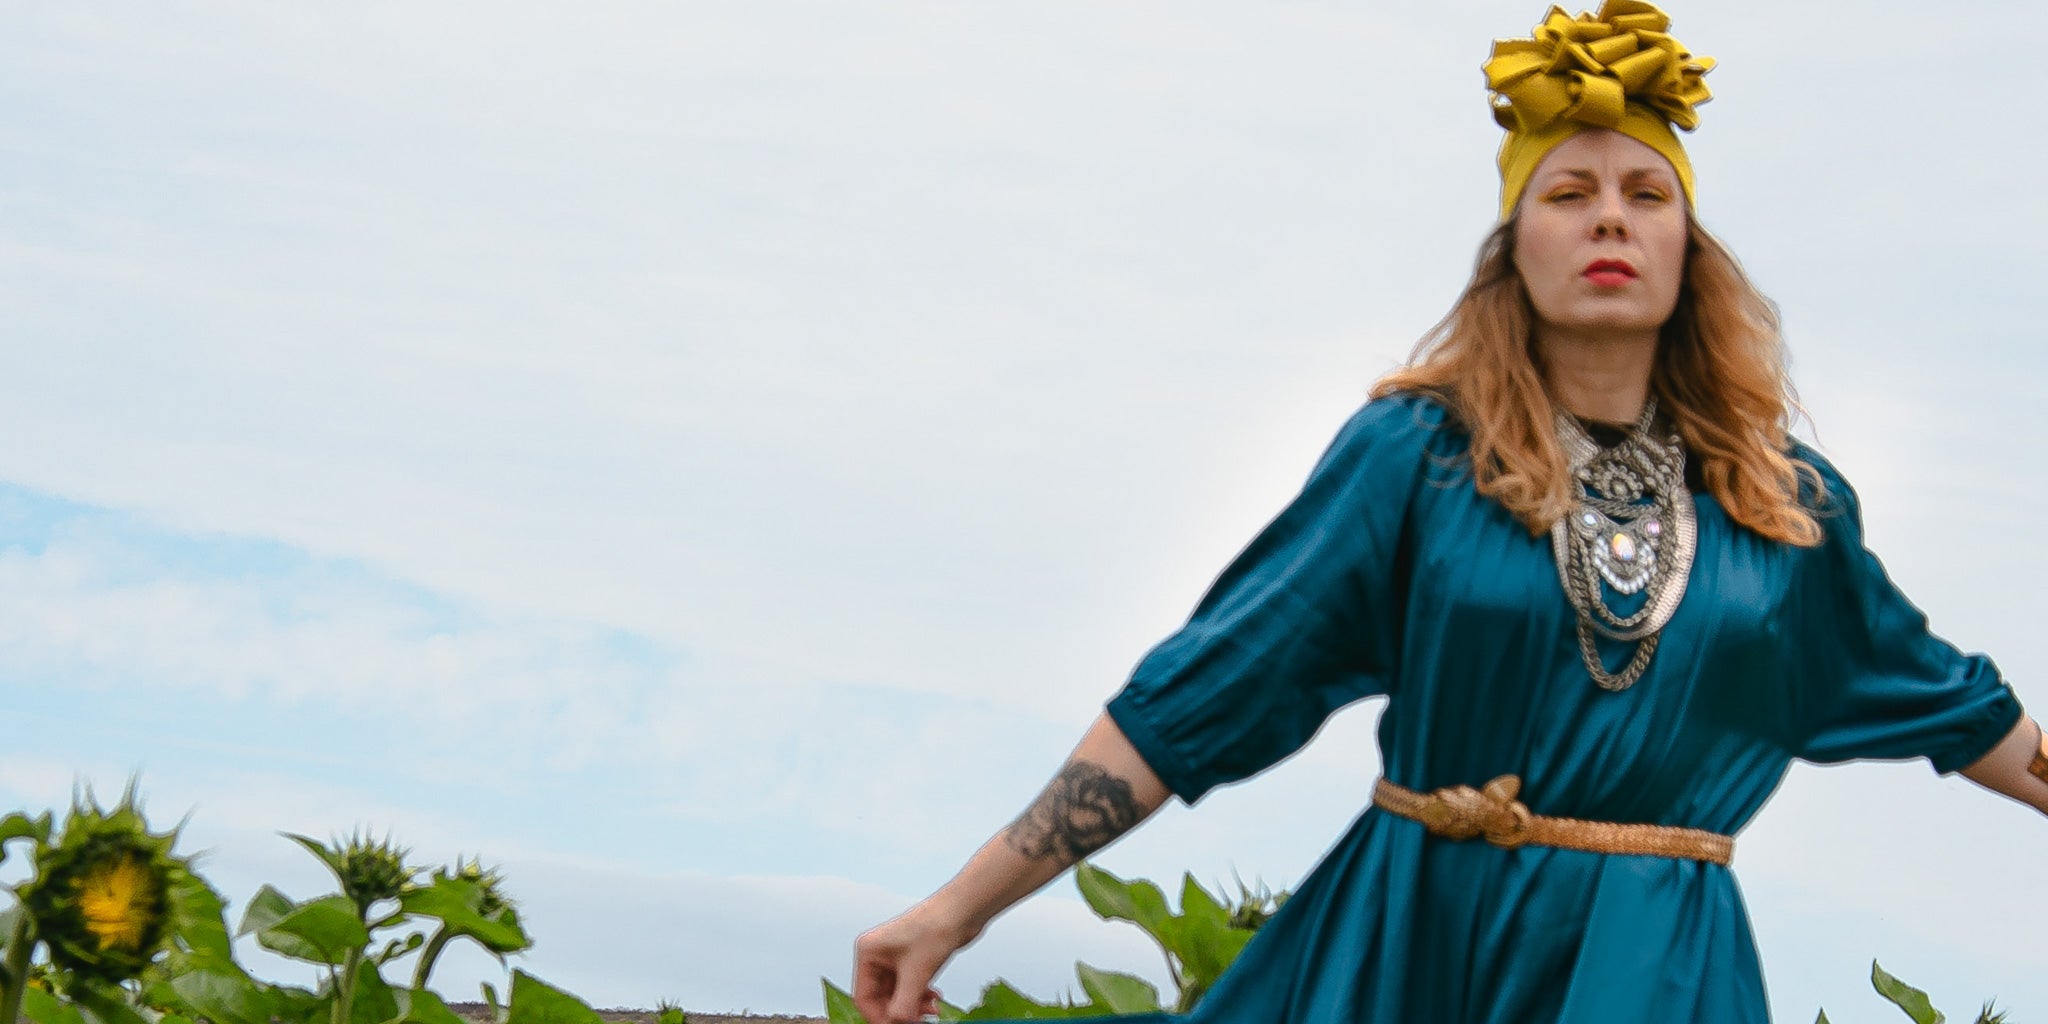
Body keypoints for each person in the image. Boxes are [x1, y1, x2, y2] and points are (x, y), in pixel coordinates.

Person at [852, 3, 2048, 1021]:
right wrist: (959, 906)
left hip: (1654, 970)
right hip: (1415, 939)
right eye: (1566, 191)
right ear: (1510, 247)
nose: (1609, 217)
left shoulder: (1782, 509)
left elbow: (1953, 702)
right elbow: (1201, 693)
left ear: (1690, 247)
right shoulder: (1416, 458)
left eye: (1644, 192)